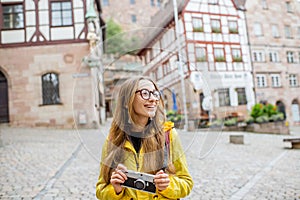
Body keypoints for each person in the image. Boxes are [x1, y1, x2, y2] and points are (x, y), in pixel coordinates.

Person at [96, 76, 193, 199]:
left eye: (155, 94)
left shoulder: (168, 135)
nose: (153, 99)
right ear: (127, 101)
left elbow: (187, 183)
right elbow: (100, 189)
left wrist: (168, 185)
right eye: (145, 93)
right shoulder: (113, 140)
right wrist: (115, 190)